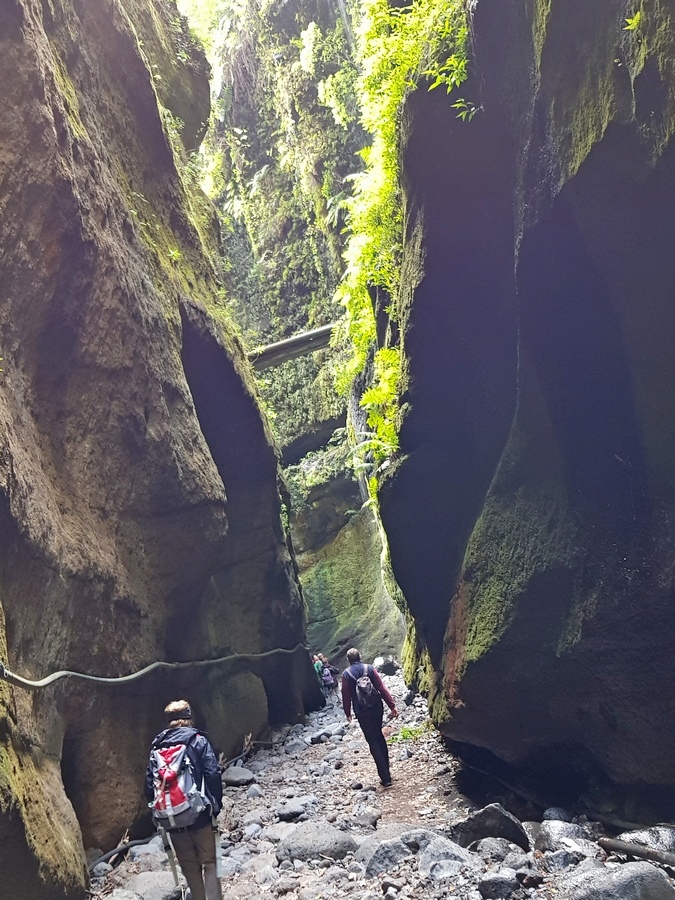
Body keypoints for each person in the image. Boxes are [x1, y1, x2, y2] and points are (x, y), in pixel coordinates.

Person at [145, 700, 223, 900]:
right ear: (189, 718)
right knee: (210, 862)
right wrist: (215, 805)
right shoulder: (197, 740)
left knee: (190, 867)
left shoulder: (156, 748)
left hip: (172, 818)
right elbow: (212, 773)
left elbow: (148, 786)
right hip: (199, 815)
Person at [341, 648, 398, 787]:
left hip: (362, 711)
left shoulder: (346, 674)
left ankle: (385, 777)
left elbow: (346, 695)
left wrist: (348, 713)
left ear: (349, 660)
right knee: (379, 736)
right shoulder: (370, 668)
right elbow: (381, 688)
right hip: (376, 707)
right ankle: (387, 772)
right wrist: (392, 706)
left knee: (372, 740)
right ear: (360, 657)